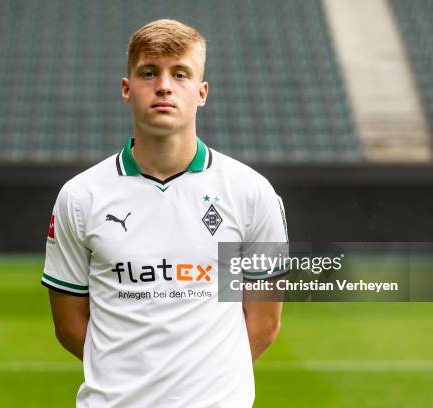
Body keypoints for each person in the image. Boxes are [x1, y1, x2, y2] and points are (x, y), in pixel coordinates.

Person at [42, 19, 288, 408]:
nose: (164, 86)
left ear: (202, 92)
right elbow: (70, 325)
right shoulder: (80, 197)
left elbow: (264, 323)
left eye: (181, 74)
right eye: (149, 73)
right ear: (127, 89)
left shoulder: (251, 193)